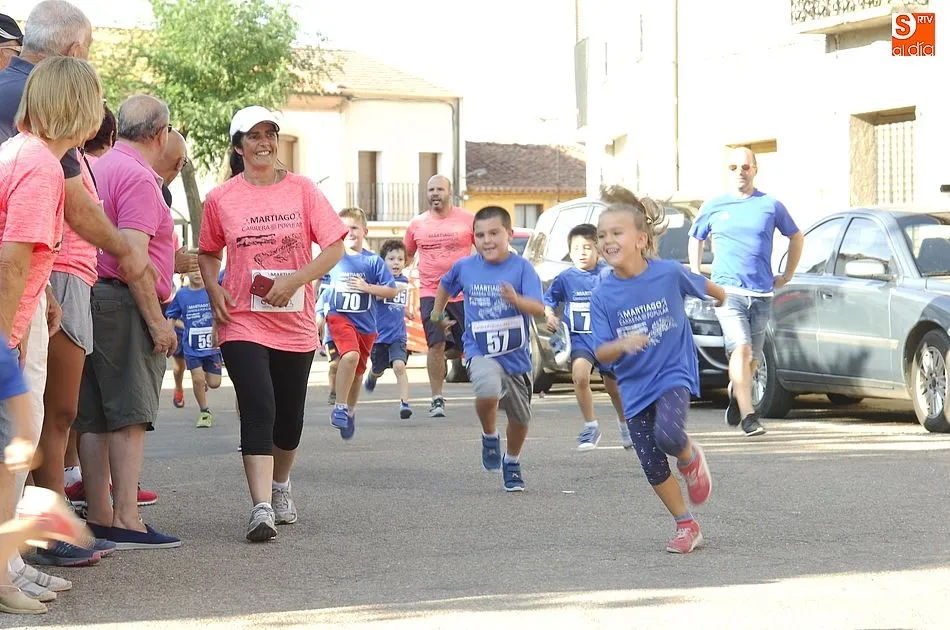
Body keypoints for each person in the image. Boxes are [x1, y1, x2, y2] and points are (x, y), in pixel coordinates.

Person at [198, 105, 346, 542]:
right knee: (258, 403)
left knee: (289, 417)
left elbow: (334, 247)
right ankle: (260, 507)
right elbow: (208, 252)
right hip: (241, 318)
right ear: (238, 146)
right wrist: (213, 288)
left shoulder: (302, 190)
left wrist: (295, 281)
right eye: (254, 136)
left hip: (293, 320)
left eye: (270, 134)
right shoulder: (221, 198)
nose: (264, 143)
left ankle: (281, 487)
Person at [0, 56, 104, 586]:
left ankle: (12, 564)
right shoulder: (41, 166)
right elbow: (12, 260)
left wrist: (41, 299)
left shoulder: (23, 153)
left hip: (26, 310)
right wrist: (8, 336)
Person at [590, 187, 725, 554]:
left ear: (641, 239)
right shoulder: (603, 294)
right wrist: (623, 344)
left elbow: (708, 288)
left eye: (616, 233)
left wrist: (723, 298)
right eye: (602, 235)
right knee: (651, 462)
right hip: (634, 386)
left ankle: (689, 456)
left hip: (672, 372)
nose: (607, 241)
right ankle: (686, 524)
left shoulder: (668, 273)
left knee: (668, 435)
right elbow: (600, 350)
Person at [76, 94, 180, 550]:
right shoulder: (138, 177)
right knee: (129, 417)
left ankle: (101, 515)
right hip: (123, 303)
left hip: (90, 295)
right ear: (159, 134)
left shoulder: (99, 165)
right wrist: (157, 322)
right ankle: (127, 519)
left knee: (95, 417)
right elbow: (133, 259)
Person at [688, 147, 804, 437]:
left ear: (755, 169)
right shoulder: (714, 205)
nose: (740, 172)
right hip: (727, 293)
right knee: (740, 348)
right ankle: (749, 416)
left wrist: (787, 274)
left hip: (762, 293)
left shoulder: (770, 205)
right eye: (733, 167)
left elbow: (796, 236)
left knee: (751, 360)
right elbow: (695, 237)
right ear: (727, 171)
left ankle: (735, 391)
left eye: (745, 166)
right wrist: (697, 273)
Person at [431, 206, 544, 492]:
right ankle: (489, 435)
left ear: (509, 234)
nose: (487, 240)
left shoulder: (522, 268)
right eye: (480, 235)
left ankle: (512, 460)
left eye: (494, 233)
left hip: (515, 356)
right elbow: (444, 286)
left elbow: (538, 308)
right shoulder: (465, 267)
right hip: (479, 348)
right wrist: (437, 314)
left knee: (520, 419)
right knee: (487, 390)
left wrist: (516, 299)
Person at [62, 103, 116, 512]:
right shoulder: (54, 156)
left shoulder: (74, 157)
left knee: (64, 410)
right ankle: (54, 507)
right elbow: (80, 213)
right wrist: (127, 251)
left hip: (73, 279)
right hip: (64, 278)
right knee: (60, 410)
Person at [543, 223, 630, 451]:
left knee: (614, 389)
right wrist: (550, 316)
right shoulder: (565, 278)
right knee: (580, 377)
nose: (582, 253)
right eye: (576, 248)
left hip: (607, 340)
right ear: (570, 252)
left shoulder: (608, 274)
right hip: (580, 340)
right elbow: (549, 300)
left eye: (587, 247)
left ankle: (625, 424)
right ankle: (591, 426)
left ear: (598, 250)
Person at [404, 175, 474, 418]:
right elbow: (405, 257)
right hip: (430, 294)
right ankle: (436, 398)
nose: (435, 193)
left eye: (440, 189)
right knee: (436, 345)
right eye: (431, 189)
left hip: (462, 294)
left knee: (467, 346)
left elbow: (486, 250)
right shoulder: (416, 224)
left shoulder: (467, 220)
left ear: (449, 192)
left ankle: (489, 391)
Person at [324, 208, 398, 438]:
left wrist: (368, 288)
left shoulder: (373, 261)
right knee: (350, 356)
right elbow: (317, 281)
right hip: (339, 318)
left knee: (357, 373)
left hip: (365, 326)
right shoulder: (333, 257)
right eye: (344, 228)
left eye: (354, 227)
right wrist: (316, 311)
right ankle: (339, 406)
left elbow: (391, 290)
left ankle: (350, 411)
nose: (349, 232)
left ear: (365, 231)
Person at [165, 271, 222, 428]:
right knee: (197, 379)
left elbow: (222, 310)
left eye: (199, 269)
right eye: (193, 269)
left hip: (212, 346)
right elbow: (172, 315)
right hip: (191, 346)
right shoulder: (182, 294)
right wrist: (168, 334)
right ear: (186, 273)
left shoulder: (212, 289)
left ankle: (204, 380)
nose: (197, 273)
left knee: (215, 383)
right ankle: (204, 412)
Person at [364, 239, 413, 419]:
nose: (396, 263)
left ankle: (405, 403)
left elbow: (397, 304)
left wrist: (405, 312)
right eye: (391, 259)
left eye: (400, 259)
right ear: (383, 262)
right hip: (379, 336)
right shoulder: (379, 281)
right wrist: (386, 291)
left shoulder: (404, 281)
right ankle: (372, 376)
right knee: (379, 369)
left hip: (398, 335)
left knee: (399, 366)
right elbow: (374, 298)